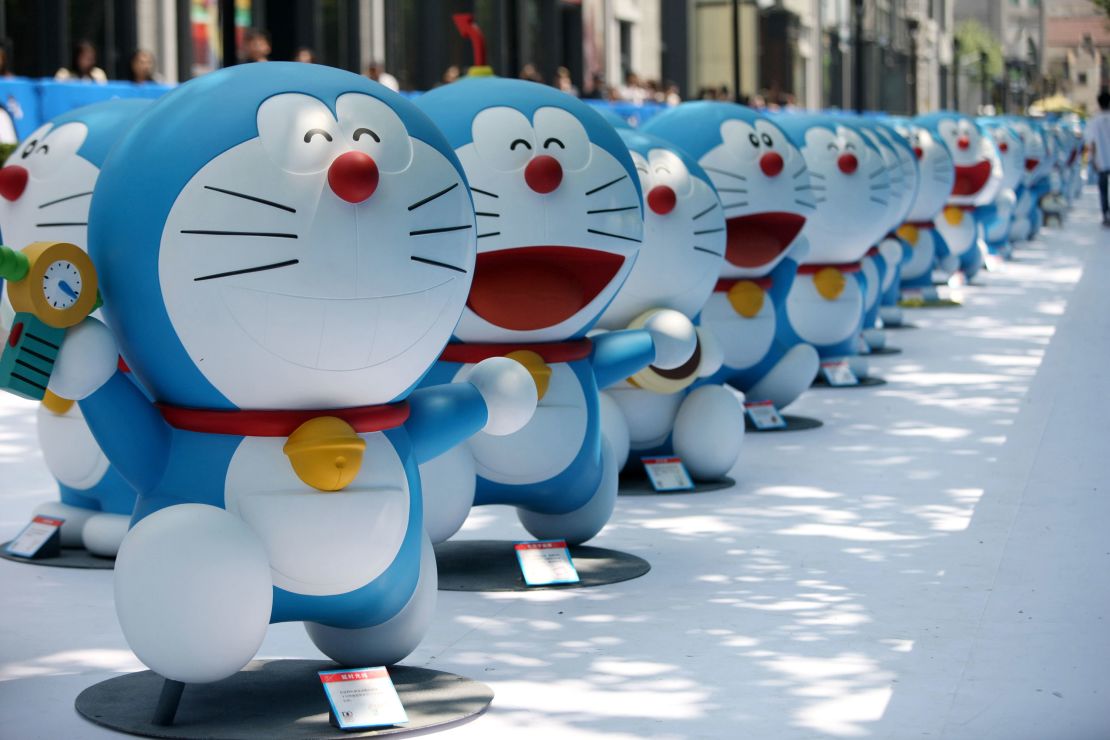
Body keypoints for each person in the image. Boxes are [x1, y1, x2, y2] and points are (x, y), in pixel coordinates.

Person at [1085, 89, 1110, 227]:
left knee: (1103, 189)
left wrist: (1093, 159)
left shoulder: (1094, 121)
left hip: (1102, 160)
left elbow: (1092, 142)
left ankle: (1105, 214)